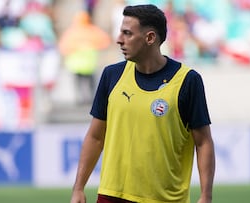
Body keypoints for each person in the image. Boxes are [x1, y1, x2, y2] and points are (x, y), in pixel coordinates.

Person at [70, 4, 215, 203]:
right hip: (112, 196)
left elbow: (203, 141)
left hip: (166, 199)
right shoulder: (112, 75)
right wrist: (78, 188)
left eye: (127, 33)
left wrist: (206, 195)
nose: (119, 39)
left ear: (150, 38)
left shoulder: (187, 81)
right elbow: (95, 137)